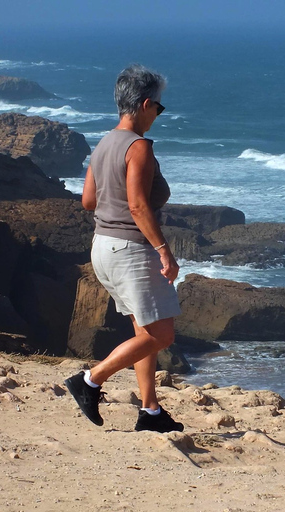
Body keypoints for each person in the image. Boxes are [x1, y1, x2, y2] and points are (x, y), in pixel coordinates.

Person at [64, 64, 183, 433]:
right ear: (145, 104)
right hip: (131, 250)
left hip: (103, 246)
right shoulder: (138, 147)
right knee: (161, 335)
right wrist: (164, 250)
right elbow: (137, 205)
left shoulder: (104, 143)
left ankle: (150, 412)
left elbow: (88, 200)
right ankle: (90, 381)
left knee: (143, 330)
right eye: (158, 108)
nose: (158, 115)